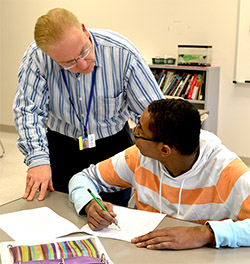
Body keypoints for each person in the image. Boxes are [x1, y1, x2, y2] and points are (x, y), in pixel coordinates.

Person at [13, 8, 164, 203]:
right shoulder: (38, 57)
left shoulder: (121, 52)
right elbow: (28, 111)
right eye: (68, 63)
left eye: (84, 51)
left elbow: (152, 112)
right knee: (61, 209)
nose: (83, 65)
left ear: (84, 30)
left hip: (113, 145)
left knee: (114, 214)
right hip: (62, 144)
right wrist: (37, 159)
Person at [69, 98, 250, 250]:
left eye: (140, 129)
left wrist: (205, 233)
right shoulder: (138, 157)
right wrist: (90, 203)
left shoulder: (228, 171)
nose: (134, 131)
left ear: (164, 150)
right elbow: (82, 178)